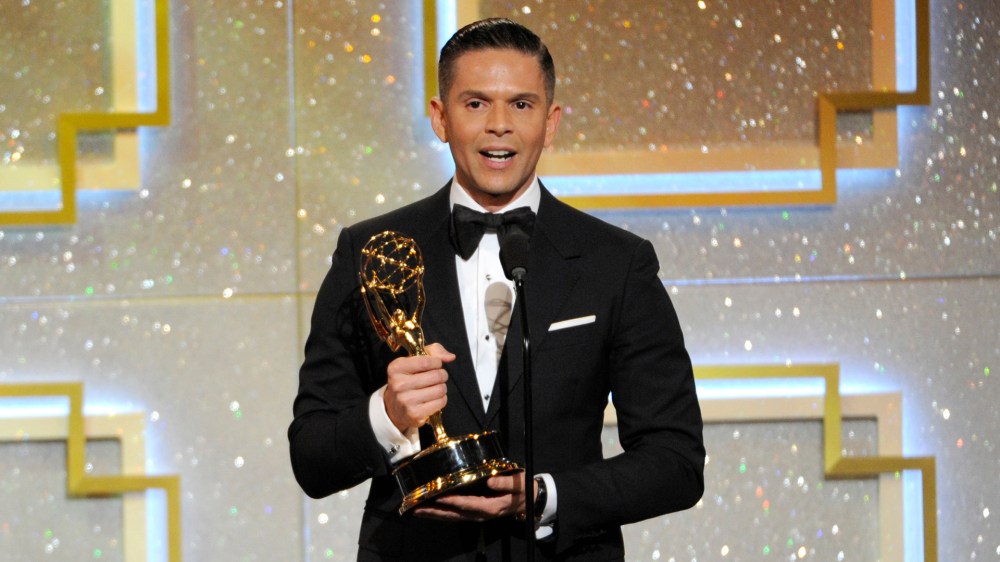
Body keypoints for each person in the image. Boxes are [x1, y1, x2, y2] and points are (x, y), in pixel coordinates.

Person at [289, 18, 705, 561]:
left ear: (551, 122)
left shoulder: (616, 262)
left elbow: (675, 460)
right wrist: (386, 415)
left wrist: (543, 496)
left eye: (522, 105)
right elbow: (312, 459)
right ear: (440, 117)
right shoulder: (370, 252)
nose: (500, 126)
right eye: (476, 104)